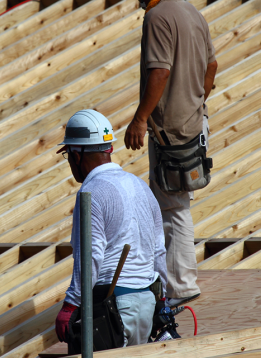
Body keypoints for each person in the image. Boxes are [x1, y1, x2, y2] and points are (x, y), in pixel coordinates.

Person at [121, 0, 218, 307]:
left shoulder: (157, 17)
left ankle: (180, 286)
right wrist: (196, 99)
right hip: (194, 124)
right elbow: (211, 66)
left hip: (171, 130)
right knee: (178, 202)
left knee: (172, 207)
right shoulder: (193, 13)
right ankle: (179, 281)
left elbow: (159, 71)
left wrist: (141, 118)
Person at [54, 109, 168, 350]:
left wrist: (70, 305)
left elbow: (91, 255)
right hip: (147, 303)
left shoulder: (91, 192)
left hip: (114, 310)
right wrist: (163, 299)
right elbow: (159, 250)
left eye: (68, 156)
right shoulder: (140, 186)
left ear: (77, 154)